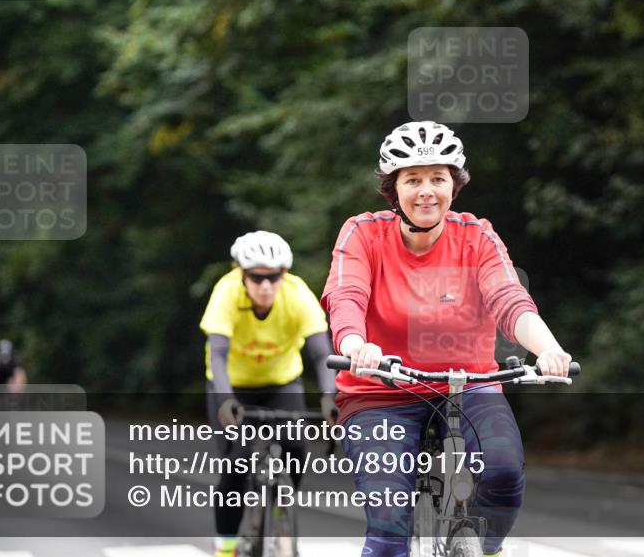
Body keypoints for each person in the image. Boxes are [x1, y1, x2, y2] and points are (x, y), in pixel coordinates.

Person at [321, 121, 573, 557]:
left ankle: (485, 549)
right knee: (387, 532)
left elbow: (509, 299)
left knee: (502, 473)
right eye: (412, 179)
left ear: (454, 186)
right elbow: (346, 296)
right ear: (392, 188)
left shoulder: (476, 236)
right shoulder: (363, 233)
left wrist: (548, 349)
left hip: (469, 385)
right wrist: (354, 345)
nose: (426, 191)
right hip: (382, 390)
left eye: (437, 178)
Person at [200, 230, 337, 557]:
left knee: (296, 447)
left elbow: (321, 354)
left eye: (273, 277)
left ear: (284, 275)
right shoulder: (226, 291)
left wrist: (330, 397)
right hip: (232, 386)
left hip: (281, 383)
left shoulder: (297, 293)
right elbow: (217, 353)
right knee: (237, 464)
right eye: (257, 278)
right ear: (242, 274)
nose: (265, 286)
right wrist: (226, 400)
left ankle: (280, 510)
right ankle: (226, 547)